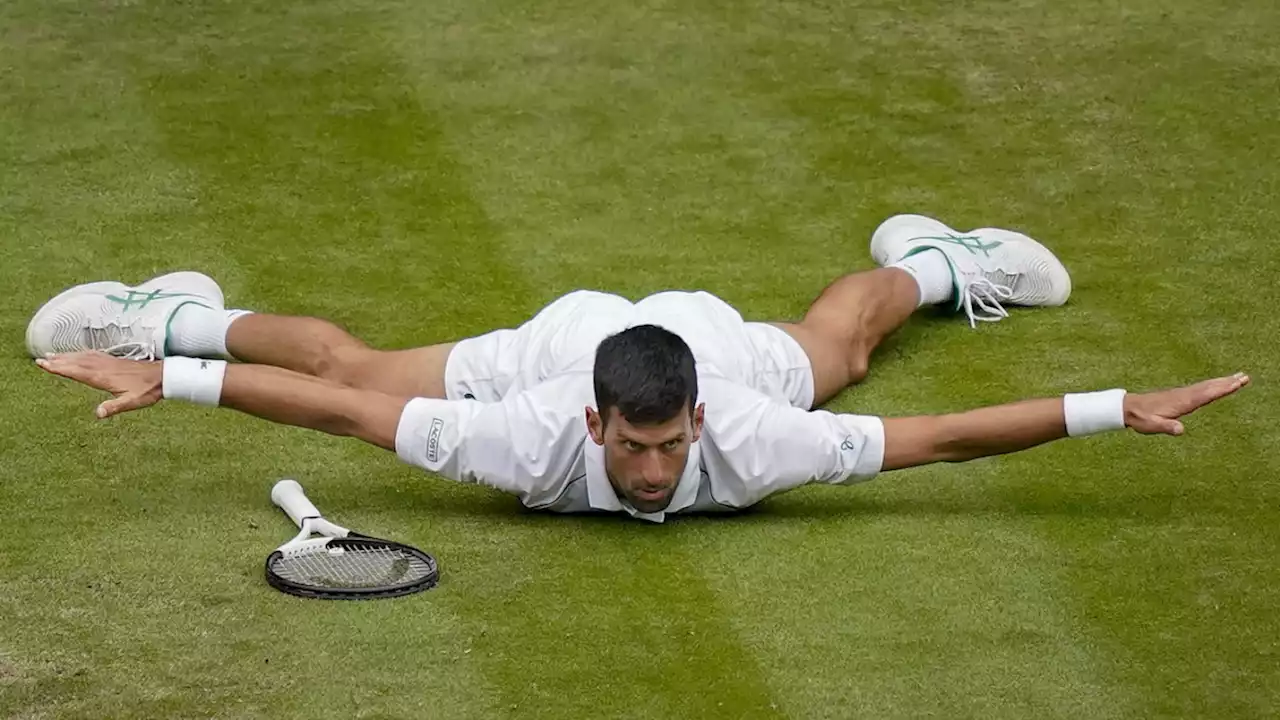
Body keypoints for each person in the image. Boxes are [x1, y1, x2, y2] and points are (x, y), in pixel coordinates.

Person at [28, 214, 1249, 522]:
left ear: (699, 423)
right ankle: (176, 319)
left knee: (849, 342)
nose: (657, 469)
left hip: (708, 340)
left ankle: (934, 259)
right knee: (360, 359)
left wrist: (1108, 410)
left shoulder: (756, 436)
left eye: (671, 447)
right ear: (598, 425)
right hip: (565, 338)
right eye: (637, 445)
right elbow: (340, 407)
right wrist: (177, 384)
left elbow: (936, 437)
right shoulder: (525, 426)